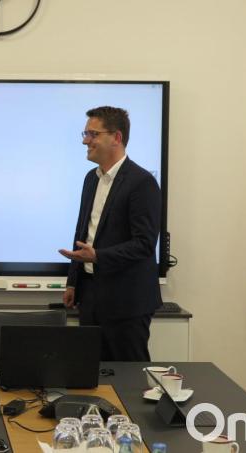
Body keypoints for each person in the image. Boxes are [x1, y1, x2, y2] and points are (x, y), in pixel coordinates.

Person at [59, 106, 162, 362]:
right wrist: (73, 281)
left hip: (127, 301)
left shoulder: (141, 182)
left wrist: (98, 256)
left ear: (116, 137)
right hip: (91, 296)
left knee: (129, 379)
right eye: (85, 133)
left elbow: (145, 244)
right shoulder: (90, 179)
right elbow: (83, 231)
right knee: (90, 372)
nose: (85, 140)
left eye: (92, 134)